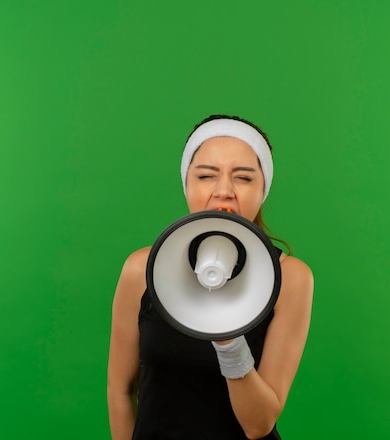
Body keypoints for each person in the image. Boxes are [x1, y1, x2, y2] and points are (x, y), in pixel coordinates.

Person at [107, 115, 314, 439]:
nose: (224, 191)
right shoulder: (140, 270)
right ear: (187, 183)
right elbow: (120, 391)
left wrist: (228, 342)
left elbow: (258, 425)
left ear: (263, 189)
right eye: (206, 175)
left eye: (244, 178)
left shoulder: (291, 278)